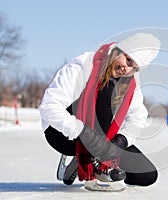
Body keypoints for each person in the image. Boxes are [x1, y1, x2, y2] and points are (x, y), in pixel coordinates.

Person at [39, 33, 161, 187]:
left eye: (134, 68)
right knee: (107, 89)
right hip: (62, 134)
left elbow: (137, 117)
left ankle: (92, 157)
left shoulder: (131, 81)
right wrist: (82, 133)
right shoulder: (84, 65)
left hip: (101, 137)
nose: (127, 69)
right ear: (119, 50)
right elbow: (49, 106)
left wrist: (121, 142)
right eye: (128, 60)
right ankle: (98, 164)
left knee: (146, 174)